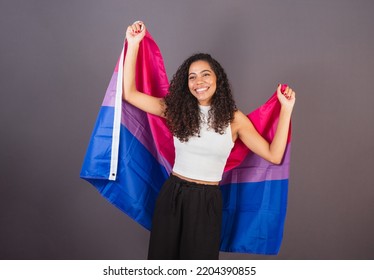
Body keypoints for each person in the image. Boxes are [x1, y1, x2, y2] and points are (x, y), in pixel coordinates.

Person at [123, 21, 296, 260]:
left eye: (205, 74)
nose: (199, 82)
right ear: (187, 84)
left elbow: (274, 155)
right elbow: (130, 93)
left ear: (217, 80)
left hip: (207, 201)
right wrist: (133, 44)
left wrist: (286, 109)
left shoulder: (234, 120)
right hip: (173, 194)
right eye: (192, 77)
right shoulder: (175, 110)